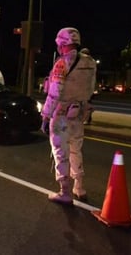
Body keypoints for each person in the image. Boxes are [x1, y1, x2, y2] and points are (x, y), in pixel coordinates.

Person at [40, 27, 97, 204]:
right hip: (79, 115)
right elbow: (91, 88)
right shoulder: (90, 62)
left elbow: (54, 93)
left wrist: (45, 116)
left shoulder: (62, 63)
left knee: (60, 153)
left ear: (62, 43)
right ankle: (79, 187)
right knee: (76, 150)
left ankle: (64, 192)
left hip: (62, 115)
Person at [79, 48, 95, 125]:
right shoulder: (92, 61)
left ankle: (86, 119)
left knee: (85, 104)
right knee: (85, 104)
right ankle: (87, 118)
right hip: (88, 87)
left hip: (85, 87)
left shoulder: (87, 62)